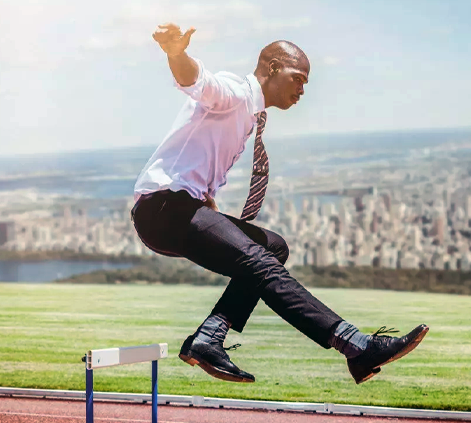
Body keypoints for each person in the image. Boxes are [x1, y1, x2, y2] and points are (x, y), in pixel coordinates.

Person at [131, 23, 428, 385]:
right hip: (164, 210)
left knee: (272, 247)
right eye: (297, 78)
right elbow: (199, 81)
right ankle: (356, 345)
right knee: (260, 262)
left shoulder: (248, 114)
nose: (302, 89)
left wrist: (208, 197)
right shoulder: (236, 93)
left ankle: (210, 337)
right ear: (272, 68)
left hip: (181, 209)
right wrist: (176, 53)